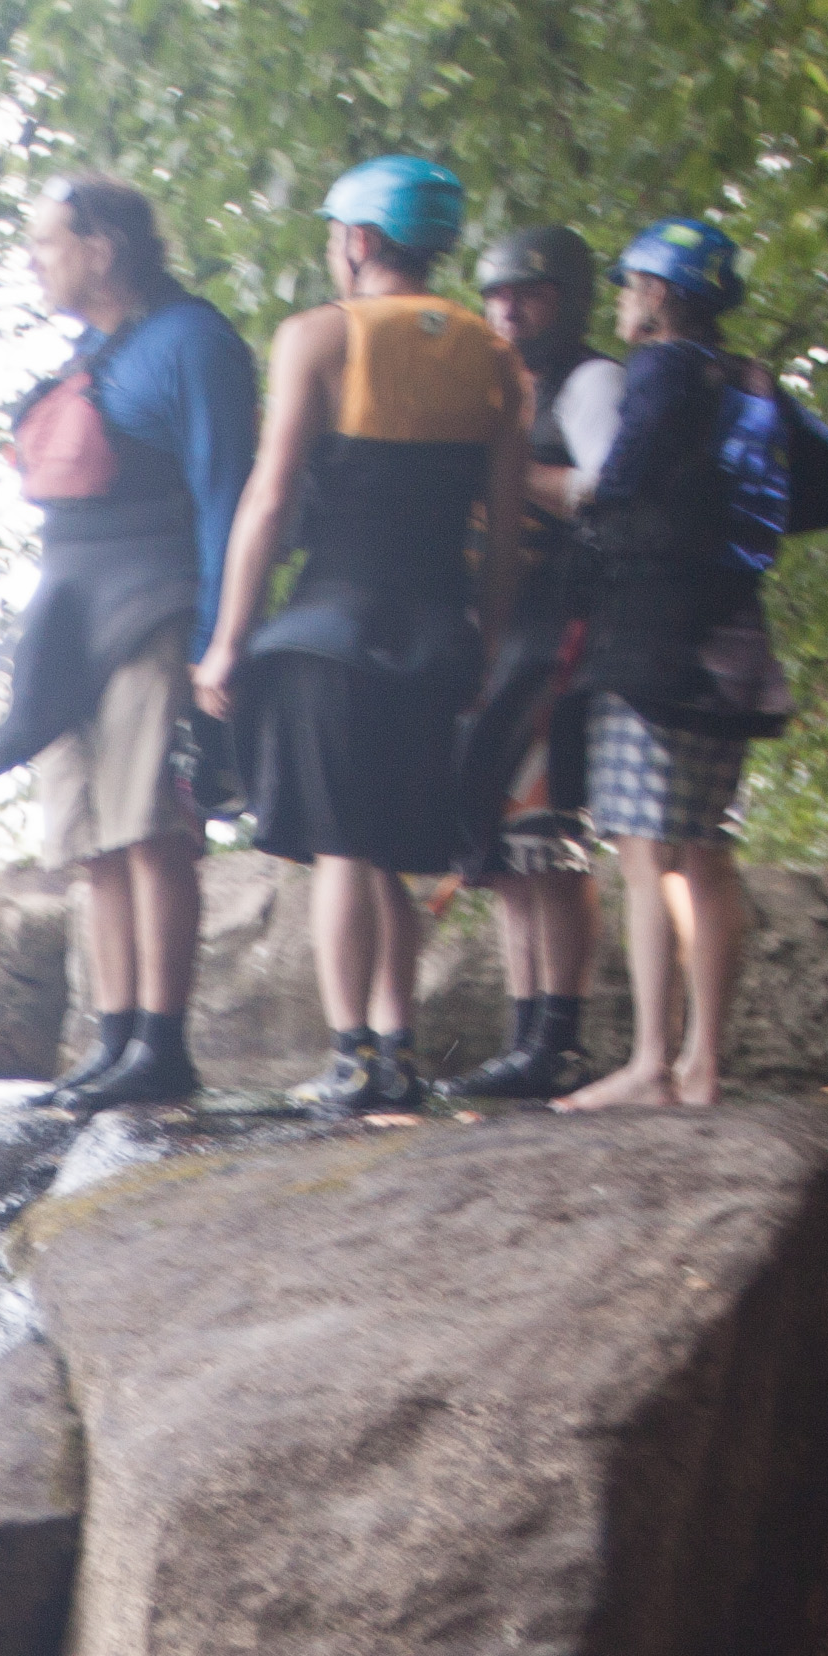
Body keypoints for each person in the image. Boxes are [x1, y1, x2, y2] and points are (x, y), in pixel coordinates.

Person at [200, 155, 525, 1118]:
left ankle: (349, 1055)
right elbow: (504, 528)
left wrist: (228, 638)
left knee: (342, 847)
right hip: (436, 630)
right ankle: (398, 1050)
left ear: (362, 240)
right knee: (386, 849)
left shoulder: (318, 336)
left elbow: (270, 499)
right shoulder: (495, 358)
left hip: (331, 629)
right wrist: (489, 646)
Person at [0, 174, 258, 1113]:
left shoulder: (193, 343)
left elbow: (229, 497)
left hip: (152, 607)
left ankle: (162, 1045)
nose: (34, 262)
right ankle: (115, 1035)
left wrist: (219, 640)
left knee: (150, 830)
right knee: (90, 839)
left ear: (102, 249)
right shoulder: (92, 353)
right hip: (70, 615)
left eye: (47, 244)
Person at [555, 218, 806, 1111]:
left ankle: (650, 1063)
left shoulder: (660, 369)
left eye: (630, 286)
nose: (624, 303)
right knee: (706, 852)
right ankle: (703, 1064)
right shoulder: (751, 381)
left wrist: (540, 488)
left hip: (654, 645)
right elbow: (815, 491)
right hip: (733, 642)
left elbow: (617, 483)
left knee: (644, 853)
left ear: (658, 293)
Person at [453, 225, 627, 1098]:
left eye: (527, 294)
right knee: (504, 842)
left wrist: (512, 475)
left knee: (547, 834)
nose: (508, 311)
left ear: (566, 300)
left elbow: (611, 489)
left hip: (564, 628)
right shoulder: (496, 390)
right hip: (503, 628)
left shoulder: (592, 383)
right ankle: (524, 1033)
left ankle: (557, 1038)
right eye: (496, 296)